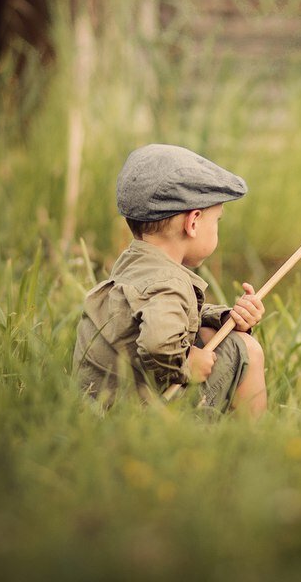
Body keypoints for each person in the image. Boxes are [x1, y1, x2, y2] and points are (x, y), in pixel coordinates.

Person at [73, 143, 267, 416]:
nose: (217, 227)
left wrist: (227, 318)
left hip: (102, 407)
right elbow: (156, 342)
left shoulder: (132, 263)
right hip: (139, 414)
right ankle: (252, 441)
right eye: (217, 220)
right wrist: (186, 363)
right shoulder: (168, 283)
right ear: (193, 222)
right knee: (246, 349)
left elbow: (155, 316)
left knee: (214, 335)